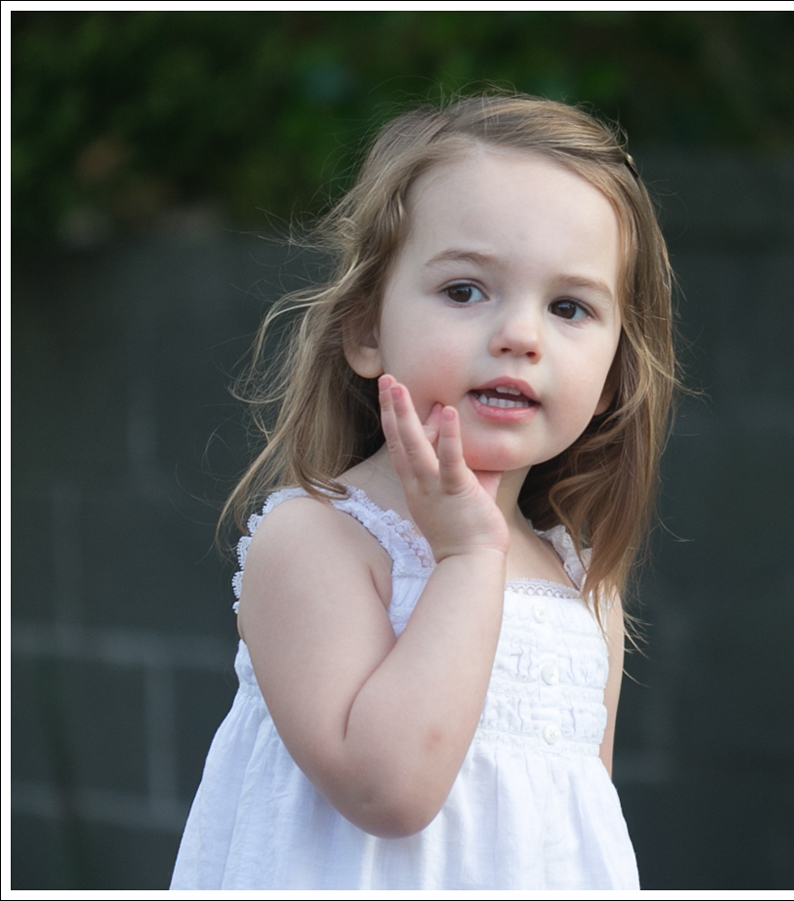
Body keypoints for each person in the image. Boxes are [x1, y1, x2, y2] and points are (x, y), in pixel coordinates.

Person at [170, 93, 677, 890]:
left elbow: (580, 837)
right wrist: (468, 557)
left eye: (569, 306)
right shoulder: (315, 541)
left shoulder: (585, 589)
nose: (521, 335)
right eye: (465, 290)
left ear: (614, 373)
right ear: (366, 329)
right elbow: (390, 791)